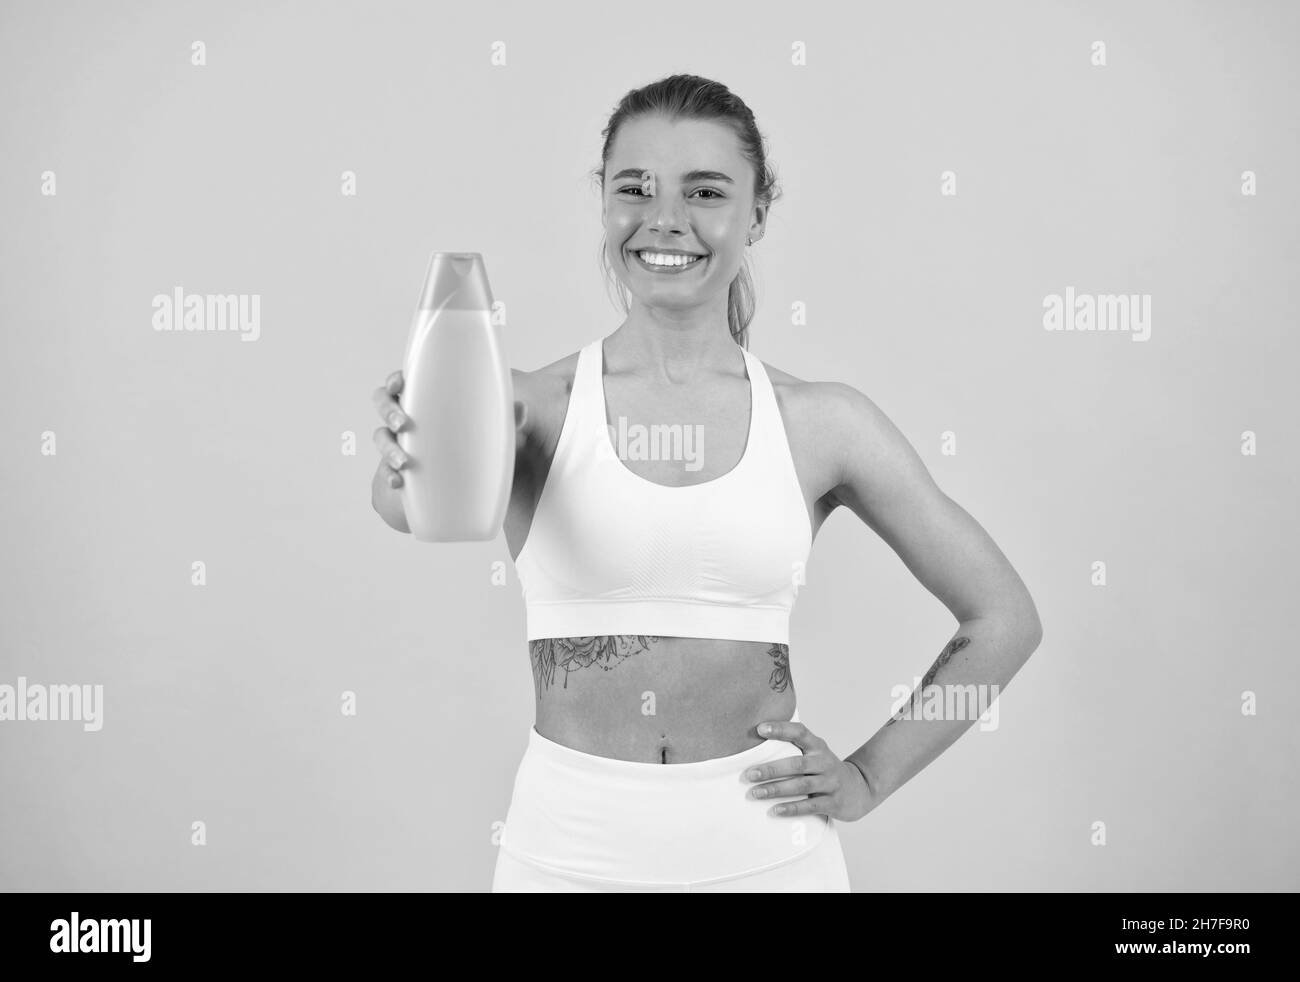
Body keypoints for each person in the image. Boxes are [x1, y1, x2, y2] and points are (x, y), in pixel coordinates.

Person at [371, 74, 1043, 892]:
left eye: (705, 191)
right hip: (565, 855)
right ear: (604, 204)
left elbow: (1003, 616)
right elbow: (407, 507)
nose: (665, 220)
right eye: (635, 189)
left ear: (758, 212)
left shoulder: (821, 422)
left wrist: (869, 776)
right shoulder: (527, 406)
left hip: (765, 856)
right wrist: (415, 434)